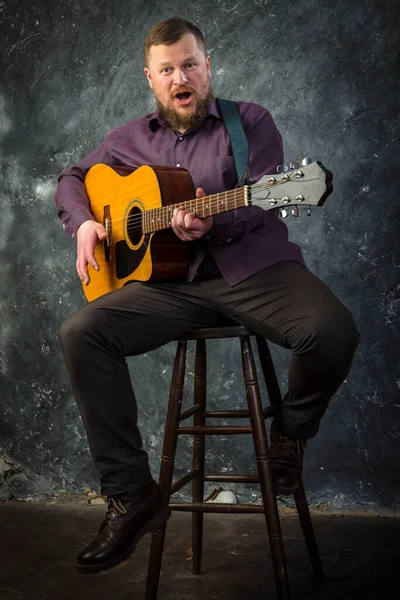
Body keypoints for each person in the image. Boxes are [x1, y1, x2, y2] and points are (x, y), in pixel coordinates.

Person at [55, 17, 359, 574]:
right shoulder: (128, 140)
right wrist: (83, 224)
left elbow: (262, 196)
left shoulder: (251, 123)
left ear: (207, 65)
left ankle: (290, 435)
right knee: (82, 332)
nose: (180, 77)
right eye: (167, 69)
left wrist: (209, 224)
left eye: (190, 64)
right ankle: (132, 496)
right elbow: (72, 181)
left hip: (252, 271)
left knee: (332, 329)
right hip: (172, 284)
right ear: (151, 77)